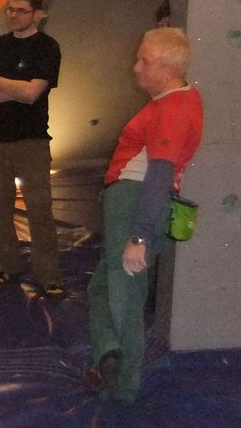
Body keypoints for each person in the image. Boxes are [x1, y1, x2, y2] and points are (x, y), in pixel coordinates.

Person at [85, 27, 203, 403]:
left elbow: (160, 175)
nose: (135, 68)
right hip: (129, 202)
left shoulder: (173, 107)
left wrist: (139, 236)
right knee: (104, 287)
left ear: (168, 69)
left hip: (135, 204)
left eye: (144, 61)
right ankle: (109, 356)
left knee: (124, 296)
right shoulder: (172, 100)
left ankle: (123, 386)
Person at [0, 0, 63, 296]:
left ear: (37, 14)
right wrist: (15, 89)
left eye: (20, 11)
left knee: (40, 209)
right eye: (10, 10)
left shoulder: (48, 48)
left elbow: (32, 94)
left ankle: (48, 274)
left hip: (33, 140)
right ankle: (8, 264)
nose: (12, 16)